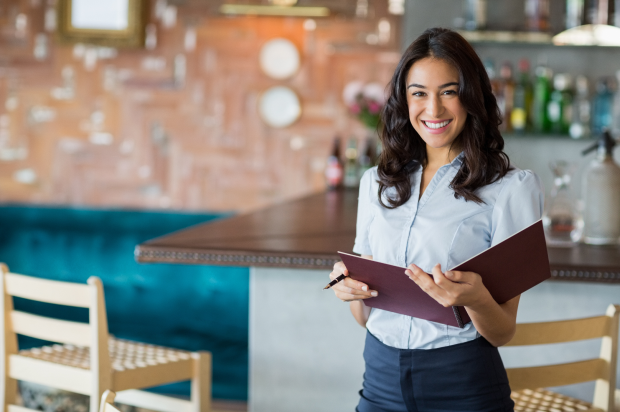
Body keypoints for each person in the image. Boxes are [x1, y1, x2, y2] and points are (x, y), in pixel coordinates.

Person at [328, 27, 544, 412]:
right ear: (403, 99)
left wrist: (476, 300)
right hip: (379, 380)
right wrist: (351, 289)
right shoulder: (376, 183)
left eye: (449, 91)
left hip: (462, 383)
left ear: (471, 95)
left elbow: (502, 331)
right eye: (419, 94)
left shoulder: (511, 189)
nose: (434, 110)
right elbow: (365, 317)